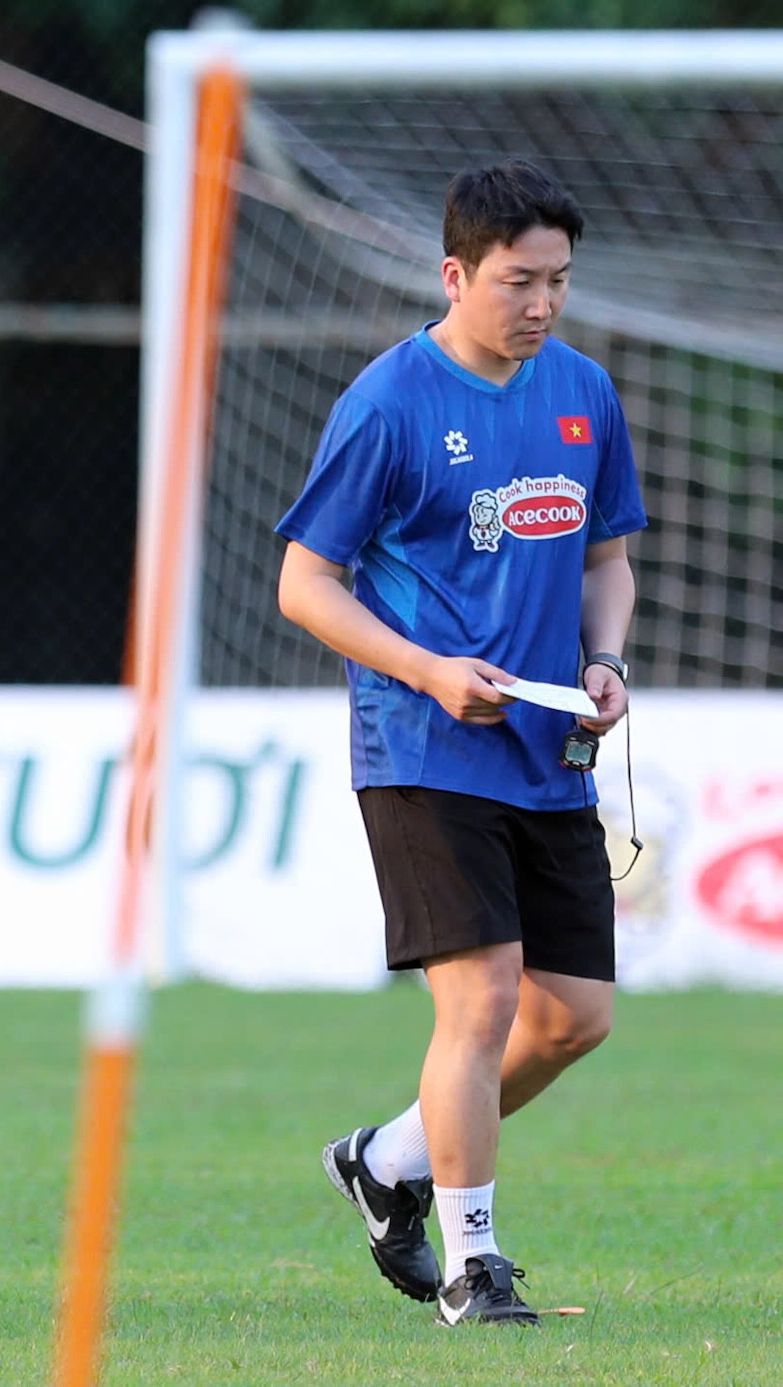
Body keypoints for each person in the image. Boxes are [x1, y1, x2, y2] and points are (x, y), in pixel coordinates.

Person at [275, 160, 645, 1327]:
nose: (542, 305)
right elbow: (305, 585)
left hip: (549, 754)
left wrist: (607, 662)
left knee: (573, 1015)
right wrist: (430, 670)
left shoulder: (583, 390)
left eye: (559, 283)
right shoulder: (390, 404)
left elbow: (608, 563)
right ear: (456, 274)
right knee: (480, 1003)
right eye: (518, 281)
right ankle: (474, 1263)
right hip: (423, 748)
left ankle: (389, 1159)